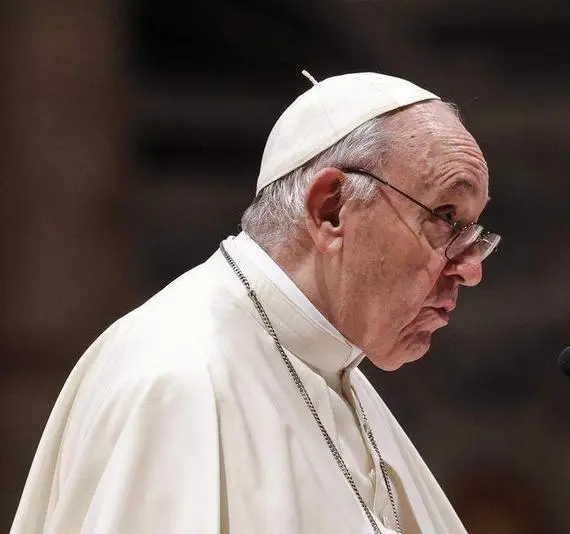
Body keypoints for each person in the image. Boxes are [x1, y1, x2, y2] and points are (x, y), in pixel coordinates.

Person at [11, 71, 501, 534]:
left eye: (475, 232)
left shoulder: (335, 373)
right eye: (444, 216)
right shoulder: (176, 379)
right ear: (330, 209)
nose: (470, 268)